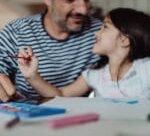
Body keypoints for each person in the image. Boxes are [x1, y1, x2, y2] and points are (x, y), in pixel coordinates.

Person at [18, 8, 150, 99]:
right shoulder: (94, 74)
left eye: (105, 27)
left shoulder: (146, 68)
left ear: (124, 39)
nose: (96, 33)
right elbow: (61, 94)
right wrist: (32, 75)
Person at [0, 0, 102, 102]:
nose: (83, 10)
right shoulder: (17, 31)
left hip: (75, 116)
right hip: (23, 115)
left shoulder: (100, 32)